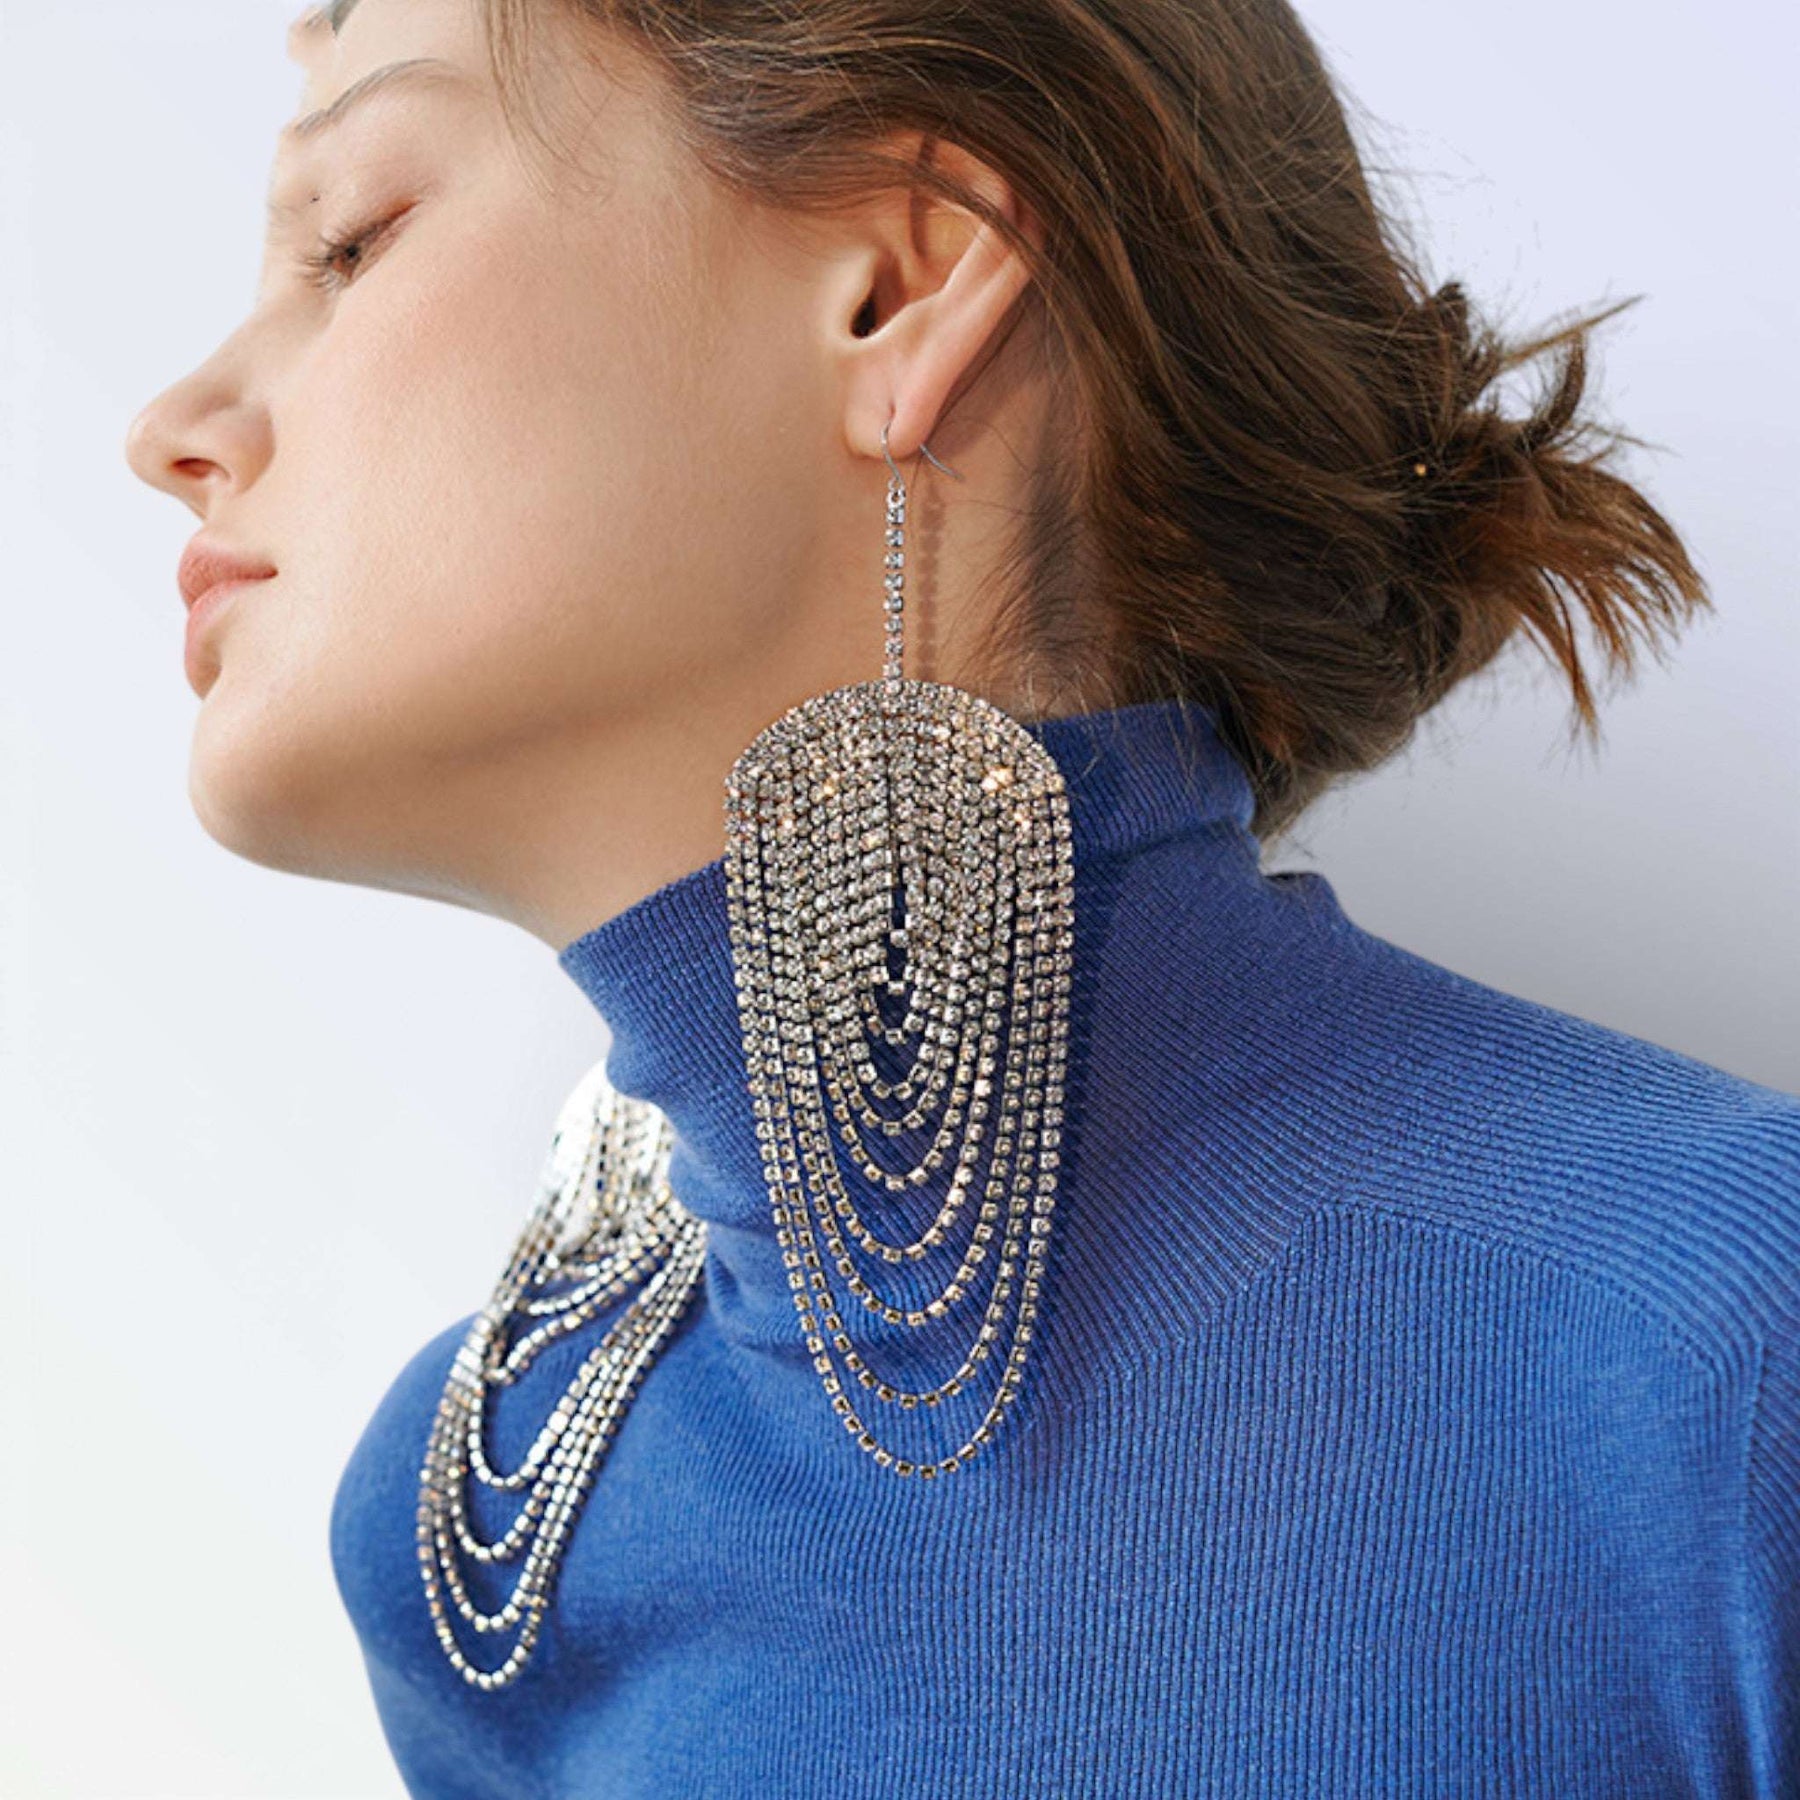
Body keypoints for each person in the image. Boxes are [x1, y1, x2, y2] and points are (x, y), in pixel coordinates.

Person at [123, 0, 1798, 1792]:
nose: (172, 427)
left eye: (352, 238)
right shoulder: (491, 1543)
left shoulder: (1712, 1354)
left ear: (900, 287)